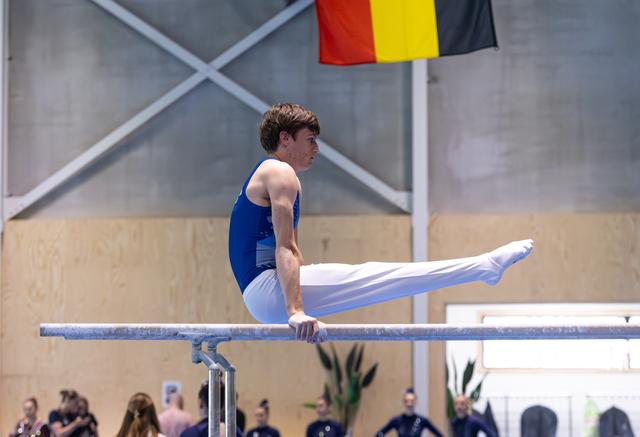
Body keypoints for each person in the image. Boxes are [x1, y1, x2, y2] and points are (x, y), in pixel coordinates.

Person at [229, 103, 534, 342]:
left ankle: (483, 268)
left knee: (371, 276)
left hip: (264, 292)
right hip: (267, 289)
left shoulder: (273, 176)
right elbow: (286, 248)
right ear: (285, 138)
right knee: (376, 276)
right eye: (310, 140)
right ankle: (484, 267)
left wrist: (300, 312)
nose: (316, 149)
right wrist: (295, 311)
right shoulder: (279, 173)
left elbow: (292, 253)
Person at [376, 388, 443, 437]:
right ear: (404, 402)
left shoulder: (422, 420)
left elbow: (439, 434)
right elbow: (380, 434)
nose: (409, 404)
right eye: (407, 401)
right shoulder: (396, 420)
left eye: (412, 401)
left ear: (416, 402)